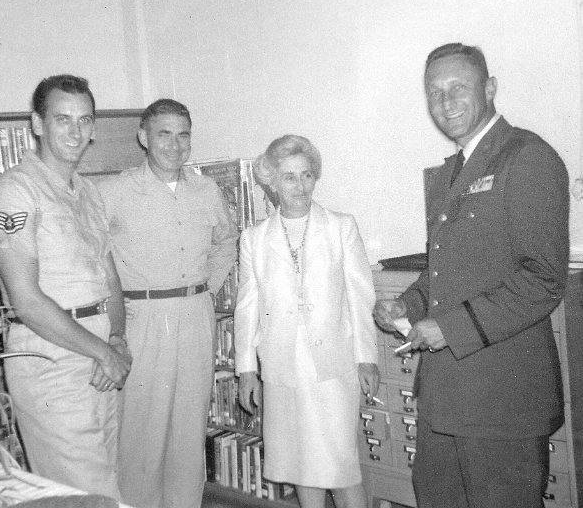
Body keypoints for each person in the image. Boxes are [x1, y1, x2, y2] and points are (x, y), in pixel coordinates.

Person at [374, 43, 570, 508]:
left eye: (458, 87)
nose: (445, 102)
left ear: (490, 88)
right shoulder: (449, 173)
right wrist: (410, 304)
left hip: (502, 398)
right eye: (434, 92)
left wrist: (447, 327)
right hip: (445, 396)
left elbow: (543, 278)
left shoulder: (526, 157)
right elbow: (448, 270)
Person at [0, 75, 132, 499]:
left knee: (103, 485)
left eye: (84, 120)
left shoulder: (88, 193)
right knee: (81, 495)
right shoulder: (14, 191)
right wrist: (104, 351)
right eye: (62, 119)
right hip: (51, 361)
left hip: (100, 357)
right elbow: (25, 300)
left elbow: (109, 280)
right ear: (37, 123)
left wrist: (116, 340)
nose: (75, 132)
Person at [97, 98, 238, 508]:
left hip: (195, 314)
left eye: (183, 135)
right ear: (143, 137)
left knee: (189, 427)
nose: (175, 145)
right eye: (164, 134)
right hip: (141, 317)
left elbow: (226, 241)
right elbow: (92, 255)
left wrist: (207, 290)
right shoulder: (113, 192)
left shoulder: (207, 190)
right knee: (142, 429)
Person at [235, 134, 379, 508]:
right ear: (272, 183)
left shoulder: (340, 227)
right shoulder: (254, 239)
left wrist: (368, 357)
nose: (300, 186)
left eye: (306, 175)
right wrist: (247, 369)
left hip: (333, 367)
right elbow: (247, 307)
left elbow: (360, 297)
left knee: (340, 466)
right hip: (283, 369)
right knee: (300, 465)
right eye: (289, 177)